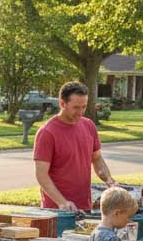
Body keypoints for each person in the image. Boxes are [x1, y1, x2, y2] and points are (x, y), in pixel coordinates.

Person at [33, 81, 116, 211]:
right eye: (76, 107)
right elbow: (41, 175)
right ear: (62, 103)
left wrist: (109, 180)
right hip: (58, 210)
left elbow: (97, 158)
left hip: (85, 207)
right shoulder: (47, 132)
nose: (81, 112)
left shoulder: (89, 126)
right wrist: (62, 202)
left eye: (84, 107)